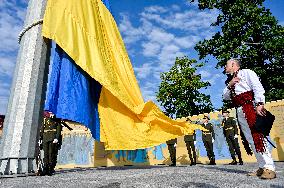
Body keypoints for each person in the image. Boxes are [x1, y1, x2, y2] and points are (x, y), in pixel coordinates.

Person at [223, 58, 276, 179]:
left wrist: (259, 104)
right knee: (250, 138)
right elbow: (225, 97)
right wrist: (230, 85)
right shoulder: (230, 81)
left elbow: (257, 87)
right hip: (240, 110)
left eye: (226, 65)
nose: (225, 68)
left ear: (233, 64)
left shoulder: (247, 72)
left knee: (259, 135)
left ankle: (270, 167)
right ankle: (262, 166)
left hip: (250, 106)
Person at [40, 111, 62, 176]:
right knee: (45, 154)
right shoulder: (44, 118)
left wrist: (57, 138)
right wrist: (40, 138)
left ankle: (50, 168)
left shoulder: (56, 118)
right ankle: (45, 168)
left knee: (51, 153)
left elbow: (58, 128)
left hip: (52, 137)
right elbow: (42, 129)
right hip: (45, 137)